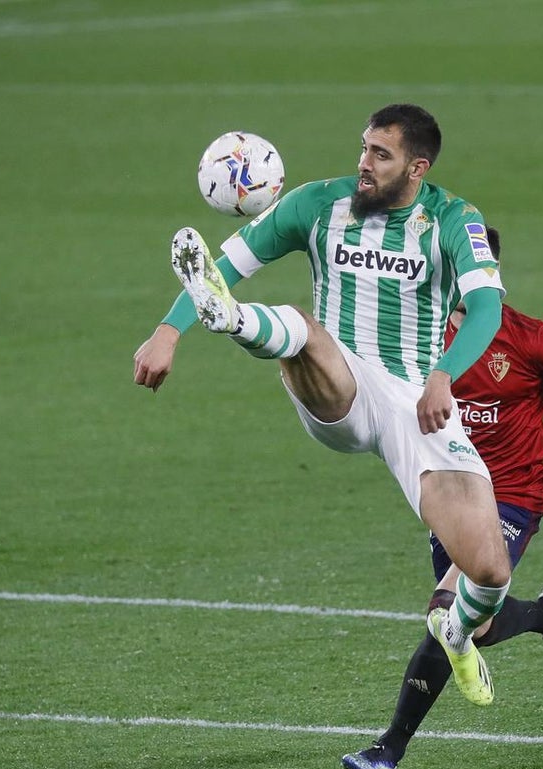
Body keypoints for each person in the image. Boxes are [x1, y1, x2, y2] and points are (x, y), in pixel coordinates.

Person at [133, 104, 512, 707]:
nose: (364, 163)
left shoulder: (453, 219)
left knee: (490, 571)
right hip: (338, 380)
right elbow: (223, 266)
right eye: (364, 148)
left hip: (414, 400)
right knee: (302, 328)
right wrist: (168, 331)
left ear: (417, 167)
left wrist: (443, 376)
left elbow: (487, 308)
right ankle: (234, 320)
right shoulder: (316, 204)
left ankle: (459, 633)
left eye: (381, 155)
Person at [341, 226, 543, 769]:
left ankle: (387, 751)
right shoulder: (416, 337)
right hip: (451, 491)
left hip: (512, 498)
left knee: (448, 611)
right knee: (479, 627)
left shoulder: (530, 339)